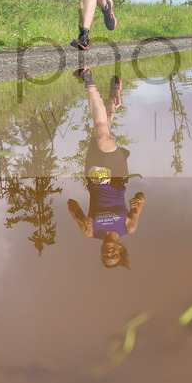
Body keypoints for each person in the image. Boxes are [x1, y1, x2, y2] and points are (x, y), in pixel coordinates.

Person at [67, 67, 144, 268]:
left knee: (101, 128)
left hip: (92, 174)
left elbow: (71, 203)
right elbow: (141, 198)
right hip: (118, 174)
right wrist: (138, 201)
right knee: (102, 133)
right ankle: (88, 79)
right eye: (113, 256)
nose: (108, 254)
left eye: (105, 257)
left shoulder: (90, 233)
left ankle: (113, 98)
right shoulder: (129, 227)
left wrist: (81, 219)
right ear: (120, 249)